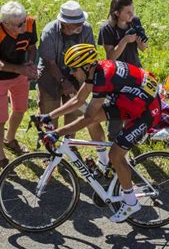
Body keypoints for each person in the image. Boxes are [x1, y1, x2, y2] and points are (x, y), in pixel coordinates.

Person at [35, 44, 161, 222]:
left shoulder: (103, 77)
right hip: (129, 103)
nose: (70, 73)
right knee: (95, 121)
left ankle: (131, 202)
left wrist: (57, 132)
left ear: (86, 67)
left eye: (73, 68)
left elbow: (86, 117)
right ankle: (105, 166)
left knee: (116, 154)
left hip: (146, 112)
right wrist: (49, 116)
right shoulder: (96, 70)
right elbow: (79, 100)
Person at [0, 1, 38, 169]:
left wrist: (30, 62)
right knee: (0, 118)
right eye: (18, 25)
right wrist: (21, 69)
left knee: (20, 110)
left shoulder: (29, 21)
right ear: (6, 24)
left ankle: (10, 139)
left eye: (24, 21)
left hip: (20, 74)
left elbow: (32, 46)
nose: (23, 26)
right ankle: (0, 156)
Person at [37, 0, 96, 131]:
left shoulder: (86, 29)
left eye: (81, 22)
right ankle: (51, 146)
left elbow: (89, 56)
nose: (81, 25)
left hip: (76, 74)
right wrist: (63, 82)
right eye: (76, 24)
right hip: (50, 76)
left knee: (73, 111)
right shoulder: (49, 32)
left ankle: (69, 144)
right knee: (50, 111)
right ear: (65, 24)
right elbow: (50, 62)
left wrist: (76, 79)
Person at [98, 0, 148, 142]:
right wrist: (125, 40)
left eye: (132, 10)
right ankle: (113, 137)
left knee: (135, 103)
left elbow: (144, 48)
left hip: (135, 70)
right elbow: (111, 57)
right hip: (117, 74)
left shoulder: (135, 22)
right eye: (127, 12)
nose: (131, 14)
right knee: (117, 106)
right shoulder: (107, 29)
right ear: (117, 13)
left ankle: (132, 135)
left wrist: (140, 40)